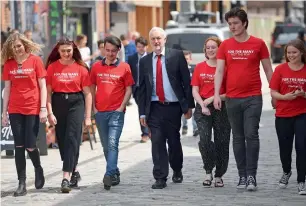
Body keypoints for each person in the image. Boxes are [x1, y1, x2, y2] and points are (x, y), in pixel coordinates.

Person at [213, 7, 273, 191]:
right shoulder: (225, 45)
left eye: (236, 23)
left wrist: (275, 94)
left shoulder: (259, 44)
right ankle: (242, 176)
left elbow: (268, 70)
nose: (232, 27)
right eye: (230, 24)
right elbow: (220, 71)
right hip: (232, 98)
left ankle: (252, 177)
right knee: (238, 137)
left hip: (253, 97)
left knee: (251, 135)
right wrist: (216, 94)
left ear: (245, 23)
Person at [138, 27, 194, 189]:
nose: (156, 41)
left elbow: (186, 83)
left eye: (159, 38)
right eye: (153, 39)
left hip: (174, 107)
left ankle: (177, 168)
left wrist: (189, 106)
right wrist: (142, 112)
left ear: (165, 39)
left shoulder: (176, 56)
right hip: (154, 107)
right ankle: (160, 177)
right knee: (157, 141)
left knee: (174, 140)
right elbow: (142, 89)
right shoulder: (145, 61)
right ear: (150, 41)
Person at [1, 33, 46, 196]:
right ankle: (21, 183)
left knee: (30, 144)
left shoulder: (35, 61)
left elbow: (43, 86)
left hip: (32, 107)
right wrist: (4, 112)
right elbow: (7, 88)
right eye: (13, 47)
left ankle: (38, 168)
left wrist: (43, 108)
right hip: (15, 108)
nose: (17, 49)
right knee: (18, 146)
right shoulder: (9, 64)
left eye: (19, 46)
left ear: (25, 45)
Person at [45, 37, 92, 193]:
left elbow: (88, 94)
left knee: (72, 137)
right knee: (63, 141)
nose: (66, 54)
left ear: (74, 50)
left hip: (76, 103)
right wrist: (49, 112)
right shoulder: (52, 68)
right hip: (58, 103)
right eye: (63, 51)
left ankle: (65, 177)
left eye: (69, 51)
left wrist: (87, 117)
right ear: (58, 51)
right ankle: (74, 171)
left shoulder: (81, 68)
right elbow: (48, 92)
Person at [90, 35, 134, 190]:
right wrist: (94, 108)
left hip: (116, 112)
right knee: (106, 147)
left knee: (112, 143)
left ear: (118, 51)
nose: (109, 54)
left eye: (113, 51)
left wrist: (121, 107)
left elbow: (129, 88)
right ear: (103, 49)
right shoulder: (96, 66)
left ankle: (108, 174)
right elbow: (91, 86)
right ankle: (114, 171)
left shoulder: (124, 67)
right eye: (107, 50)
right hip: (100, 112)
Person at [192, 37, 231, 188]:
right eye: (208, 47)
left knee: (222, 142)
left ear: (220, 49)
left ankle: (219, 175)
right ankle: (208, 170)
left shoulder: (226, 68)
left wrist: (212, 99)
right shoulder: (200, 67)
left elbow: (231, 92)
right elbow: (195, 89)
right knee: (204, 139)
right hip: (202, 106)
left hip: (222, 107)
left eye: (213, 47)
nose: (210, 50)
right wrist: (203, 104)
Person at [269, 39, 306, 195]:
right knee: (285, 149)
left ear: (302, 53)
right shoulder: (280, 69)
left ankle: (301, 180)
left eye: (294, 52)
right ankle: (286, 171)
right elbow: (273, 92)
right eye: (289, 52)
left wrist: (303, 94)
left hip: (302, 113)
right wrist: (285, 97)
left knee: (302, 147)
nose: (291, 55)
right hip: (283, 114)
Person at [127, 37, 149, 143]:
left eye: (143, 47)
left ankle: (149, 131)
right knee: (142, 110)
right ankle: (144, 133)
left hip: (150, 89)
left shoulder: (151, 57)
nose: (140, 49)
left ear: (146, 47)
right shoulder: (132, 58)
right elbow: (129, 74)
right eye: (138, 47)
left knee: (150, 110)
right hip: (138, 89)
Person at [181, 50, 198, 137]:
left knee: (194, 111)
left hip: (193, 93)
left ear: (190, 59)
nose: (185, 61)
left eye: (187, 59)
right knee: (184, 111)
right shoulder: (178, 70)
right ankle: (184, 125)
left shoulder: (193, 69)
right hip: (183, 94)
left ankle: (195, 128)